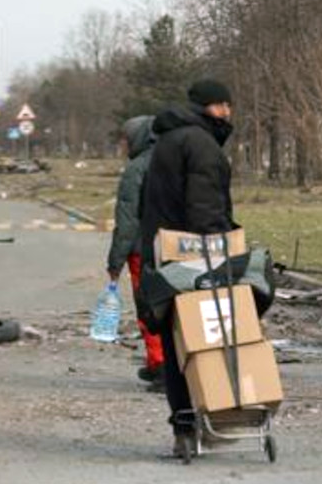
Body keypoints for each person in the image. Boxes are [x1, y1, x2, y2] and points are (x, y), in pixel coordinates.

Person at [139, 78, 235, 452]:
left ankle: (183, 425)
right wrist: (219, 253)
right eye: (223, 105)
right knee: (208, 341)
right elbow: (205, 207)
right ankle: (218, 417)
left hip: (163, 255)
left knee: (175, 341)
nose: (228, 112)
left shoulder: (167, 140)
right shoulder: (201, 144)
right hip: (194, 259)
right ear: (209, 107)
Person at [105, 115, 163, 387]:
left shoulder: (137, 168)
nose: (124, 146)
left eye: (126, 140)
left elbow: (127, 219)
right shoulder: (172, 161)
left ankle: (159, 365)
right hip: (176, 245)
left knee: (148, 307)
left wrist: (115, 261)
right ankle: (169, 365)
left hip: (143, 249)